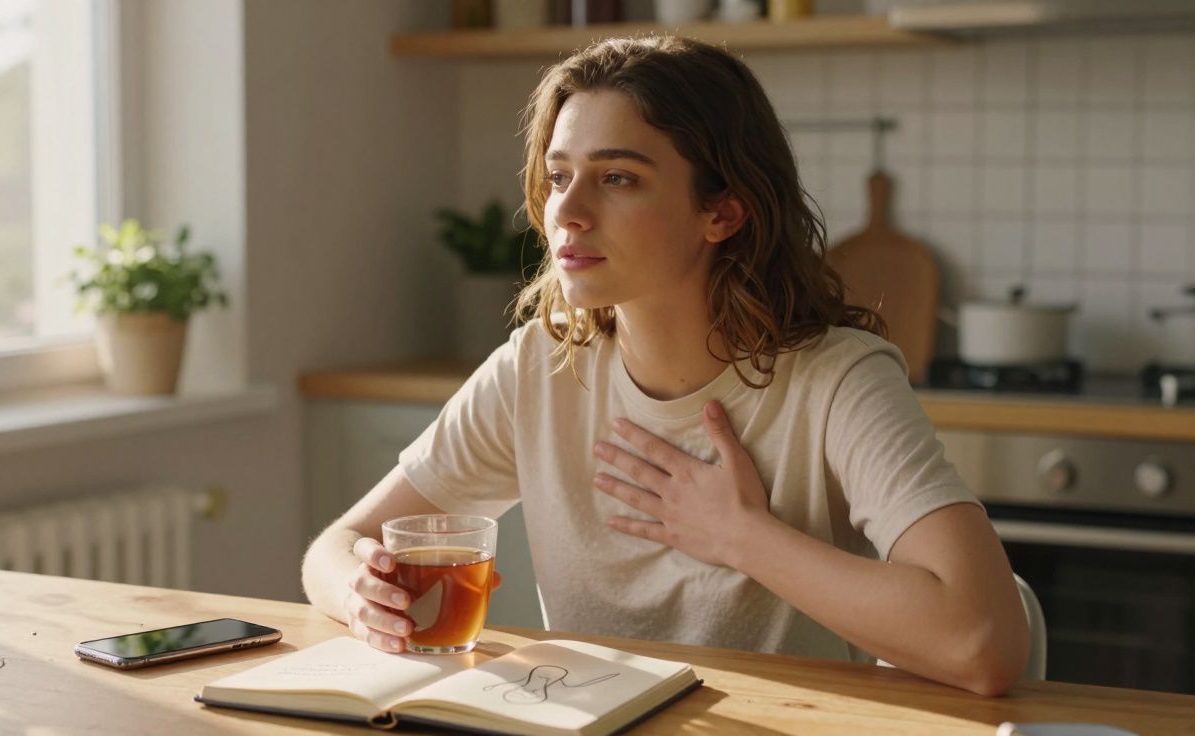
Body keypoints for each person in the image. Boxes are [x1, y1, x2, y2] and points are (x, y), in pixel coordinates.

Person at [302, 35, 1029, 696]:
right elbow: (333, 548)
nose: (569, 212)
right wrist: (358, 592)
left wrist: (741, 536)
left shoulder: (836, 379)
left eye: (617, 178)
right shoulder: (537, 368)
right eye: (559, 177)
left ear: (724, 213)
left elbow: (985, 643)